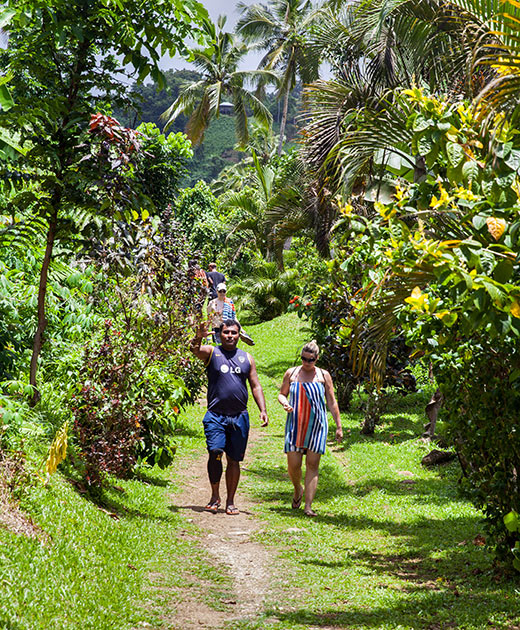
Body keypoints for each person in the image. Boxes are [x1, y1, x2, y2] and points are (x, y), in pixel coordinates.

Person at [190, 319, 269, 515]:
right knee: (215, 452)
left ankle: (230, 501)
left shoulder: (246, 358)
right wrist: (198, 337)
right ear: (220, 334)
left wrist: (263, 409)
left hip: (239, 417)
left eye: (234, 333)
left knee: (234, 460)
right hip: (216, 416)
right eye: (226, 333)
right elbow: (195, 350)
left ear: (239, 335)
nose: (230, 336)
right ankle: (215, 496)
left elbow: (255, 385)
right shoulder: (212, 352)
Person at [278, 341, 343, 517]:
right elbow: (282, 394)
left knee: (312, 465)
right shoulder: (292, 373)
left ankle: (308, 505)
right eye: (304, 359)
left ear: (317, 358)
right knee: (294, 465)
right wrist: (285, 402)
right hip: (295, 424)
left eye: (311, 360)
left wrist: (338, 426)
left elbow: (331, 401)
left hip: (317, 425)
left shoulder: (323, 375)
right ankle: (297, 488)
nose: (307, 363)